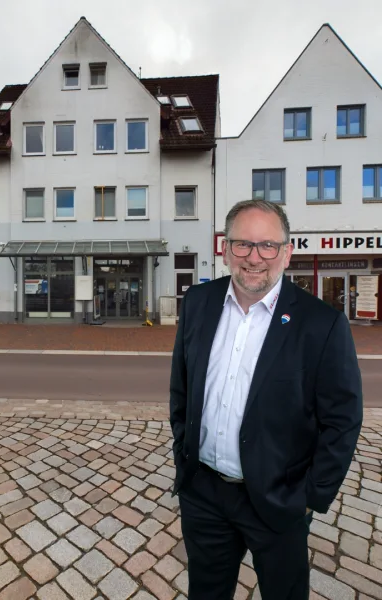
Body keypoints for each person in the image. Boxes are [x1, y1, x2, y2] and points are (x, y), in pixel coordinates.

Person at [169, 199, 363, 599]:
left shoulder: (321, 324)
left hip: (278, 499)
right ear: (225, 249)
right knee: (205, 592)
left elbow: (342, 419)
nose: (254, 258)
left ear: (287, 253)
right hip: (204, 492)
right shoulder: (198, 304)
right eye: (242, 245)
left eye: (268, 246)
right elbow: (182, 388)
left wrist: (310, 498)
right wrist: (183, 454)